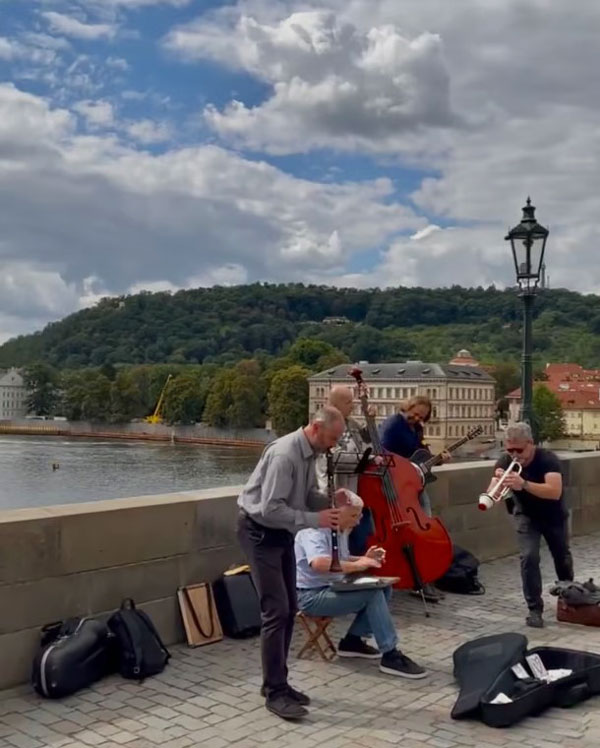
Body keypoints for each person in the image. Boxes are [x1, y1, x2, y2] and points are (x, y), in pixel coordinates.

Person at [237, 405, 352, 720]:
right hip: (260, 533)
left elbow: (301, 496)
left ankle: (278, 682)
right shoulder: (285, 455)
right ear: (316, 428)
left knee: (289, 609)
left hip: (280, 533)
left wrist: (329, 499)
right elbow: (271, 509)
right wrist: (318, 519)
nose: (333, 445)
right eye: (332, 437)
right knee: (276, 611)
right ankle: (275, 692)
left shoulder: (310, 453)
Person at [295, 492, 428, 678]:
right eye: (353, 516)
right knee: (371, 595)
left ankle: (352, 642)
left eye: (359, 516)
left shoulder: (340, 531)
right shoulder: (313, 532)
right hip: (312, 596)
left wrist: (364, 558)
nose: (358, 521)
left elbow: (341, 559)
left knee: (384, 587)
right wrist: (358, 565)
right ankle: (390, 654)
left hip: (333, 587)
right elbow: (319, 563)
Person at [488, 421, 574, 628]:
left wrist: (523, 484)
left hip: (553, 515)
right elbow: (492, 492)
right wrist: (496, 485)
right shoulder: (505, 460)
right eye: (510, 450)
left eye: (520, 449)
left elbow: (554, 492)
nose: (515, 454)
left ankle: (568, 597)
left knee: (561, 555)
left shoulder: (547, 459)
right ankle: (534, 609)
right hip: (526, 516)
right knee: (529, 557)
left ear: (531, 444)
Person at [380, 395, 449, 601]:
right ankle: (416, 581)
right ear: (407, 407)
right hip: (398, 487)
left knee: (424, 532)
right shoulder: (393, 425)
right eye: (416, 413)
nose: (418, 419)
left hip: (416, 486)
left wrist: (439, 460)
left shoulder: (417, 428)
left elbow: (421, 454)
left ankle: (422, 580)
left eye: (422, 417)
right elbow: (383, 455)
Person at [315, 385, 380, 555]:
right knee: (339, 548)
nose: (353, 405)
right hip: (335, 497)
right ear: (335, 404)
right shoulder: (323, 425)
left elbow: (367, 440)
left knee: (361, 538)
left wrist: (370, 419)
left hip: (355, 494)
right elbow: (334, 458)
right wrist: (368, 460)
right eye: (348, 402)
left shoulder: (351, 423)